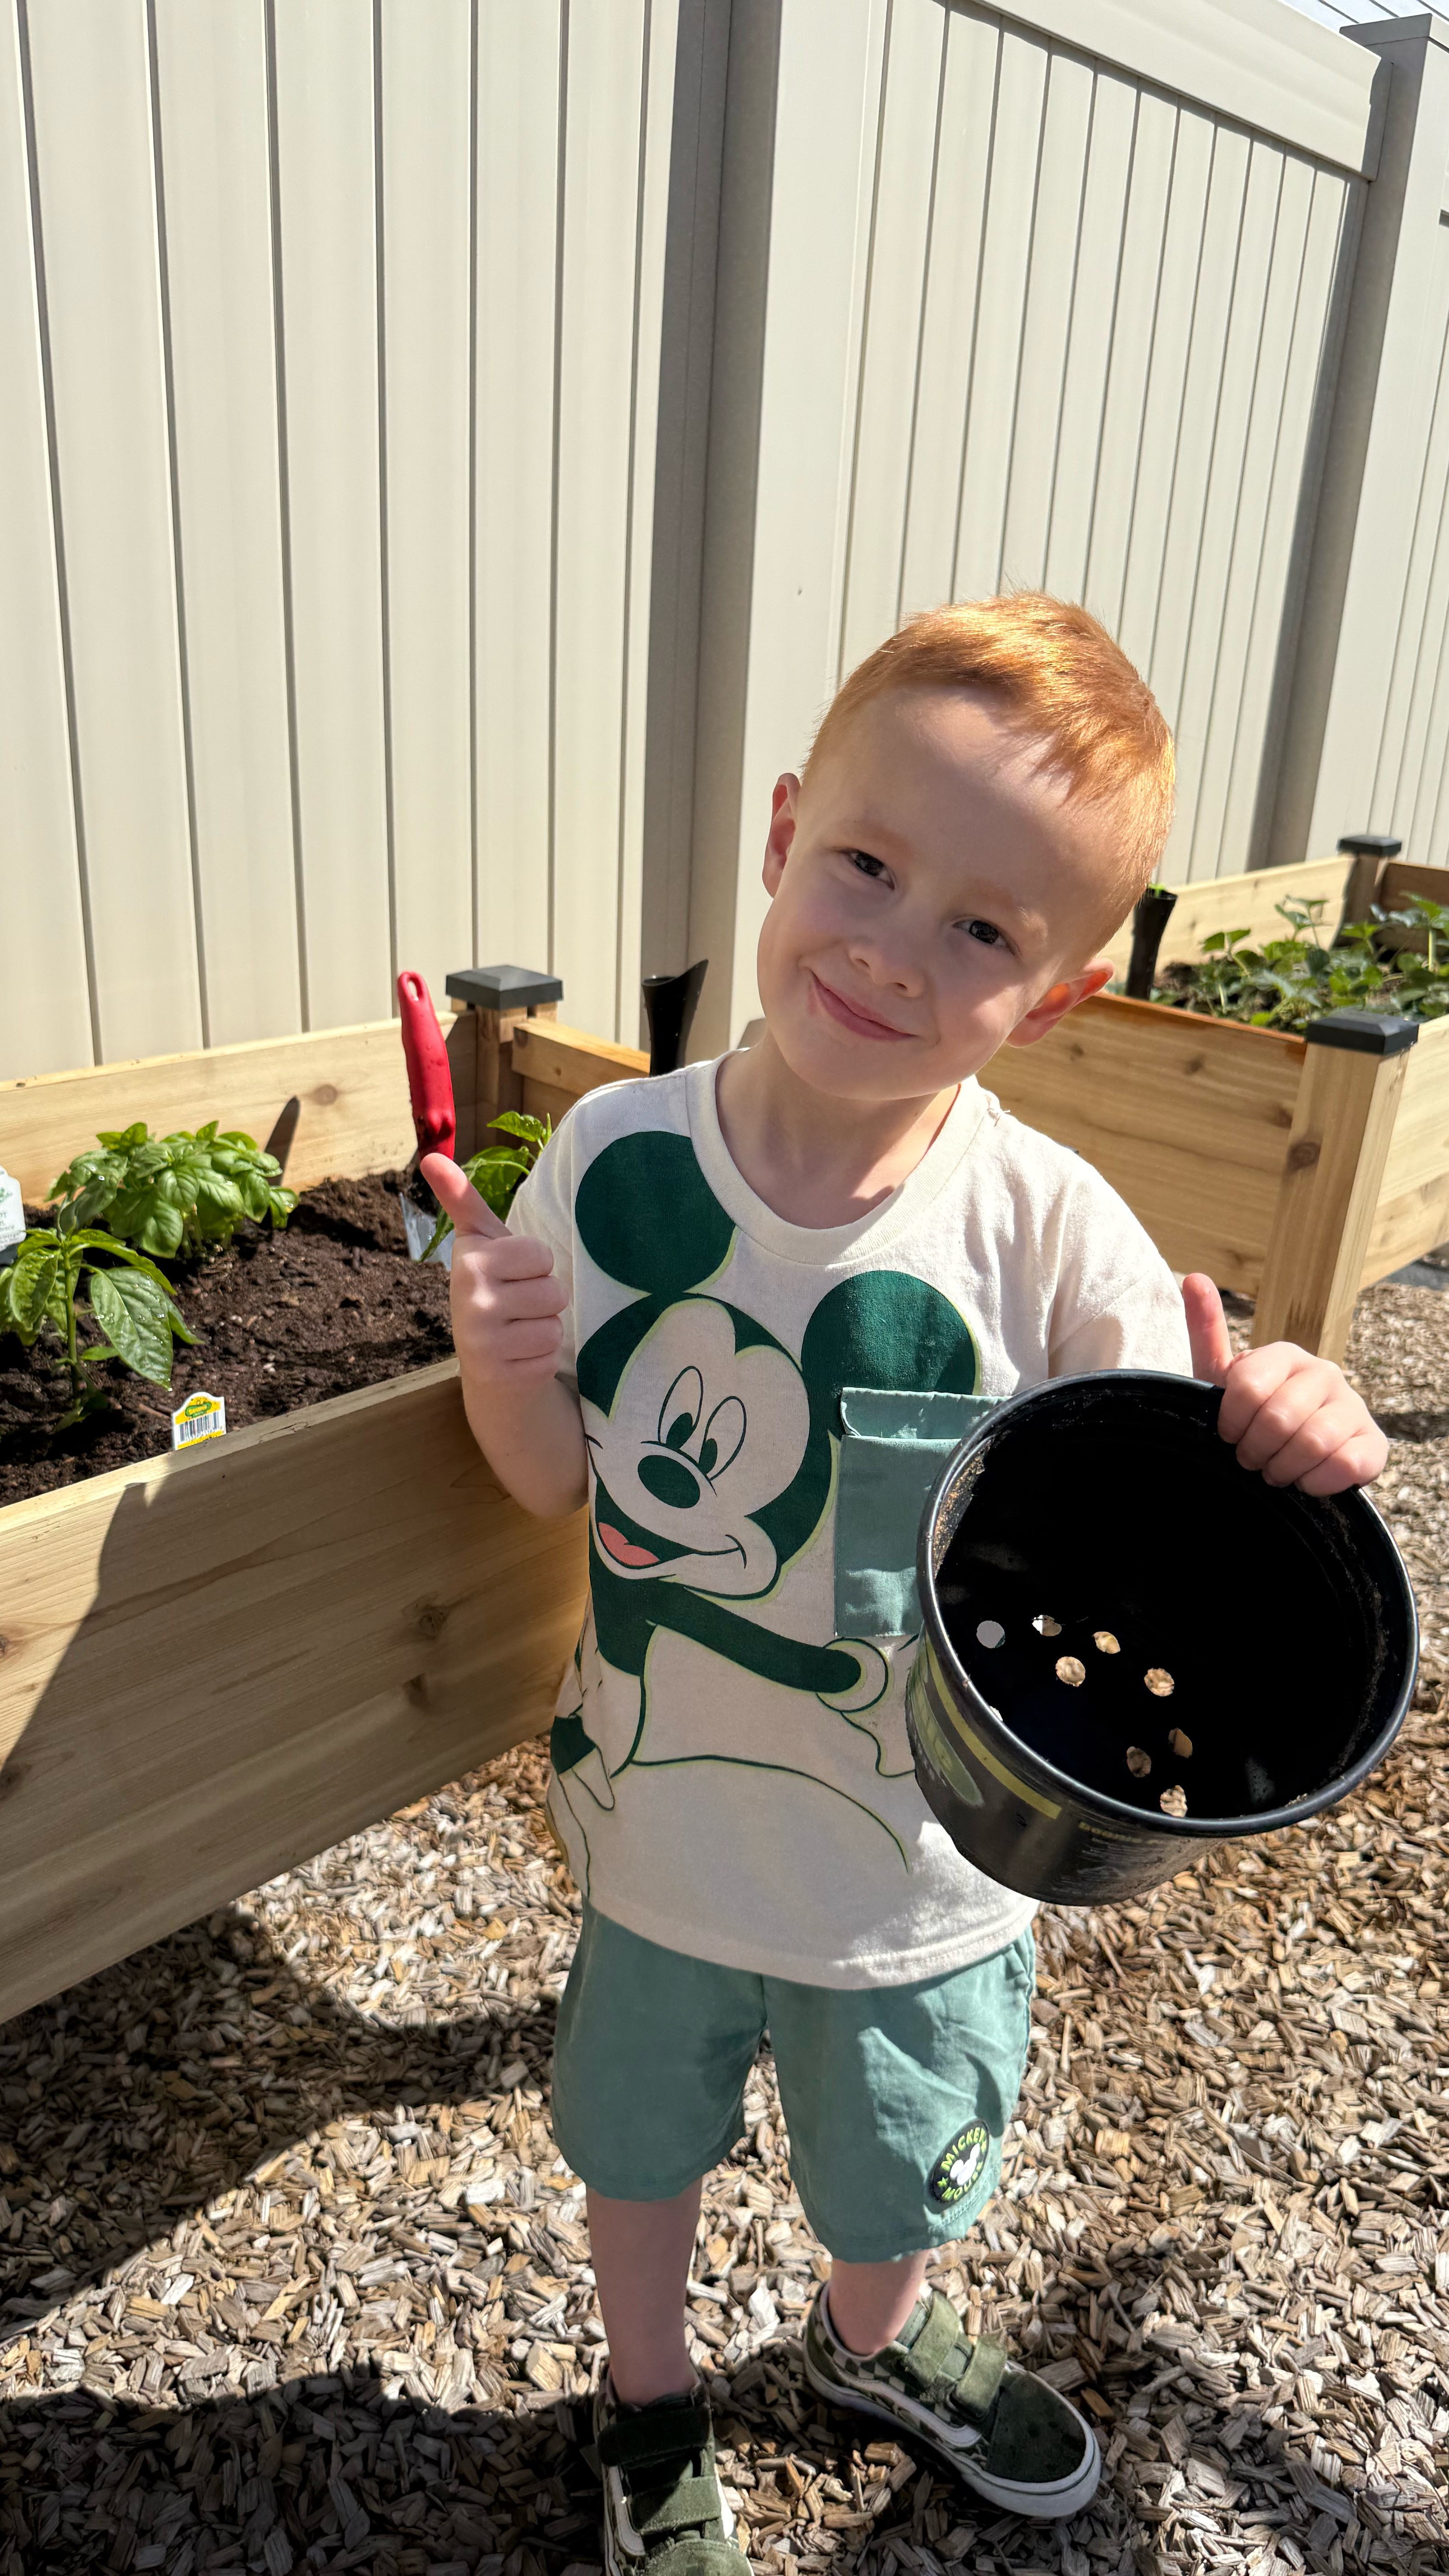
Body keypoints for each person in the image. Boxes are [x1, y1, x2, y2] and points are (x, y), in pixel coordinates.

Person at [424, 596, 1388, 2564]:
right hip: (661, 1834)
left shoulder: (1043, 1228)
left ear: (1055, 991)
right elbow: (549, 1490)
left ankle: (877, 2337)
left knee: (897, 2169)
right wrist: (506, 1359)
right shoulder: (612, 1159)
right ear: (784, 834)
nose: (889, 944)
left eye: (982, 928)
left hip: (926, 1874)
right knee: (638, 2150)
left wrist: (1291, 1411)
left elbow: (1181, 1469)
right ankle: (647, 2400)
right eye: (867, 863)